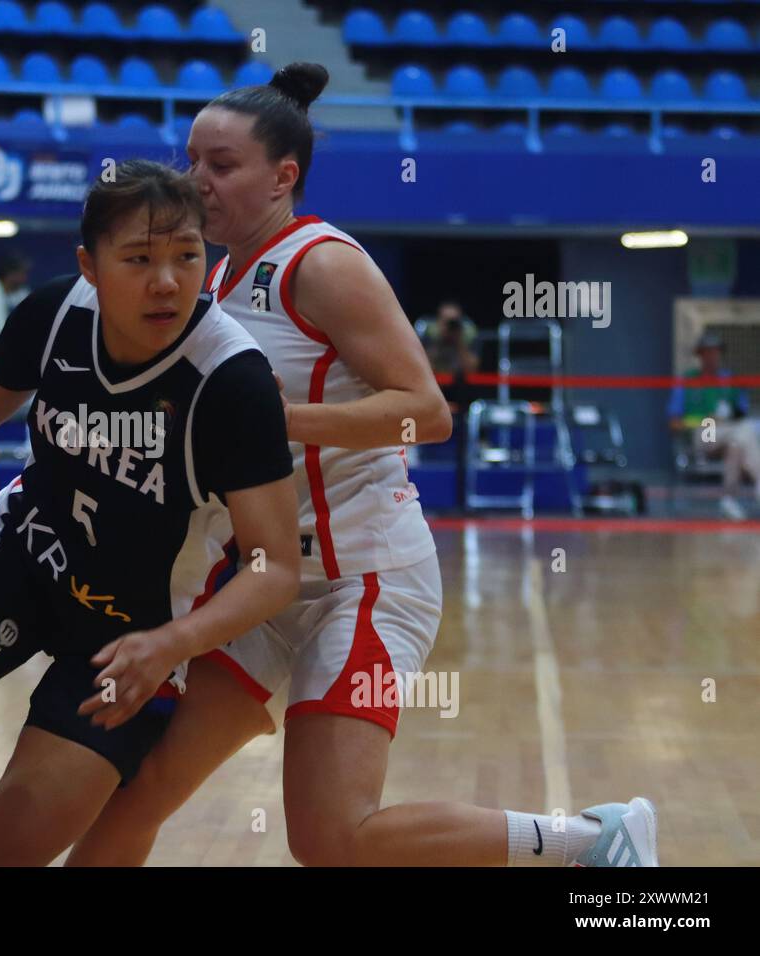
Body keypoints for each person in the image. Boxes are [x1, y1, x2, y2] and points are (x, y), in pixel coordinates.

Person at [66, 62, 658, 867]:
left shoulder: (323, 263)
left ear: (285, 176)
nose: (196, 180)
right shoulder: (213, 275)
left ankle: (593, 840)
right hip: (263, 582)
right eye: (191, 159)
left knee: (332, 838)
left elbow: (428, 411)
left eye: (222, 165)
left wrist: (270, 422)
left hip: (367, 579)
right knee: (134, 795)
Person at [0, 160, 302, 865]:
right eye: (139, 259)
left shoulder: (233, 382)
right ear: (89, 266)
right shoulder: (54, 312)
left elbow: (274, 565)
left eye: (187, 256)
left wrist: (175, 645)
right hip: (27, 557)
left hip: (132, 636)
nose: (167, 280)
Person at [669, 332, 759, 520]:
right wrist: (703, 420)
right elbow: (674, 421)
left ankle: (728, 500)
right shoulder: (688, 379)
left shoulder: (729, 379)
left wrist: (725, 418)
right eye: (707, 352)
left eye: (716, 352)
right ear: (700, 355)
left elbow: (742, 411)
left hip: (729, 433)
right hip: (703, 433)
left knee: (737, 445)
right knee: (744, 431)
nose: (712, 357)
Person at [417, 299, 480, 377]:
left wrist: (459, 342)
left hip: (460, 385)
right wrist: (440, 340)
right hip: (435, 381)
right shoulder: (429, 334)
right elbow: (423, 368)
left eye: (453, 322)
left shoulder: (468, 336)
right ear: (438, 321)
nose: (450, 326)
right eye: (446, 321)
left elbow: (471, 370)